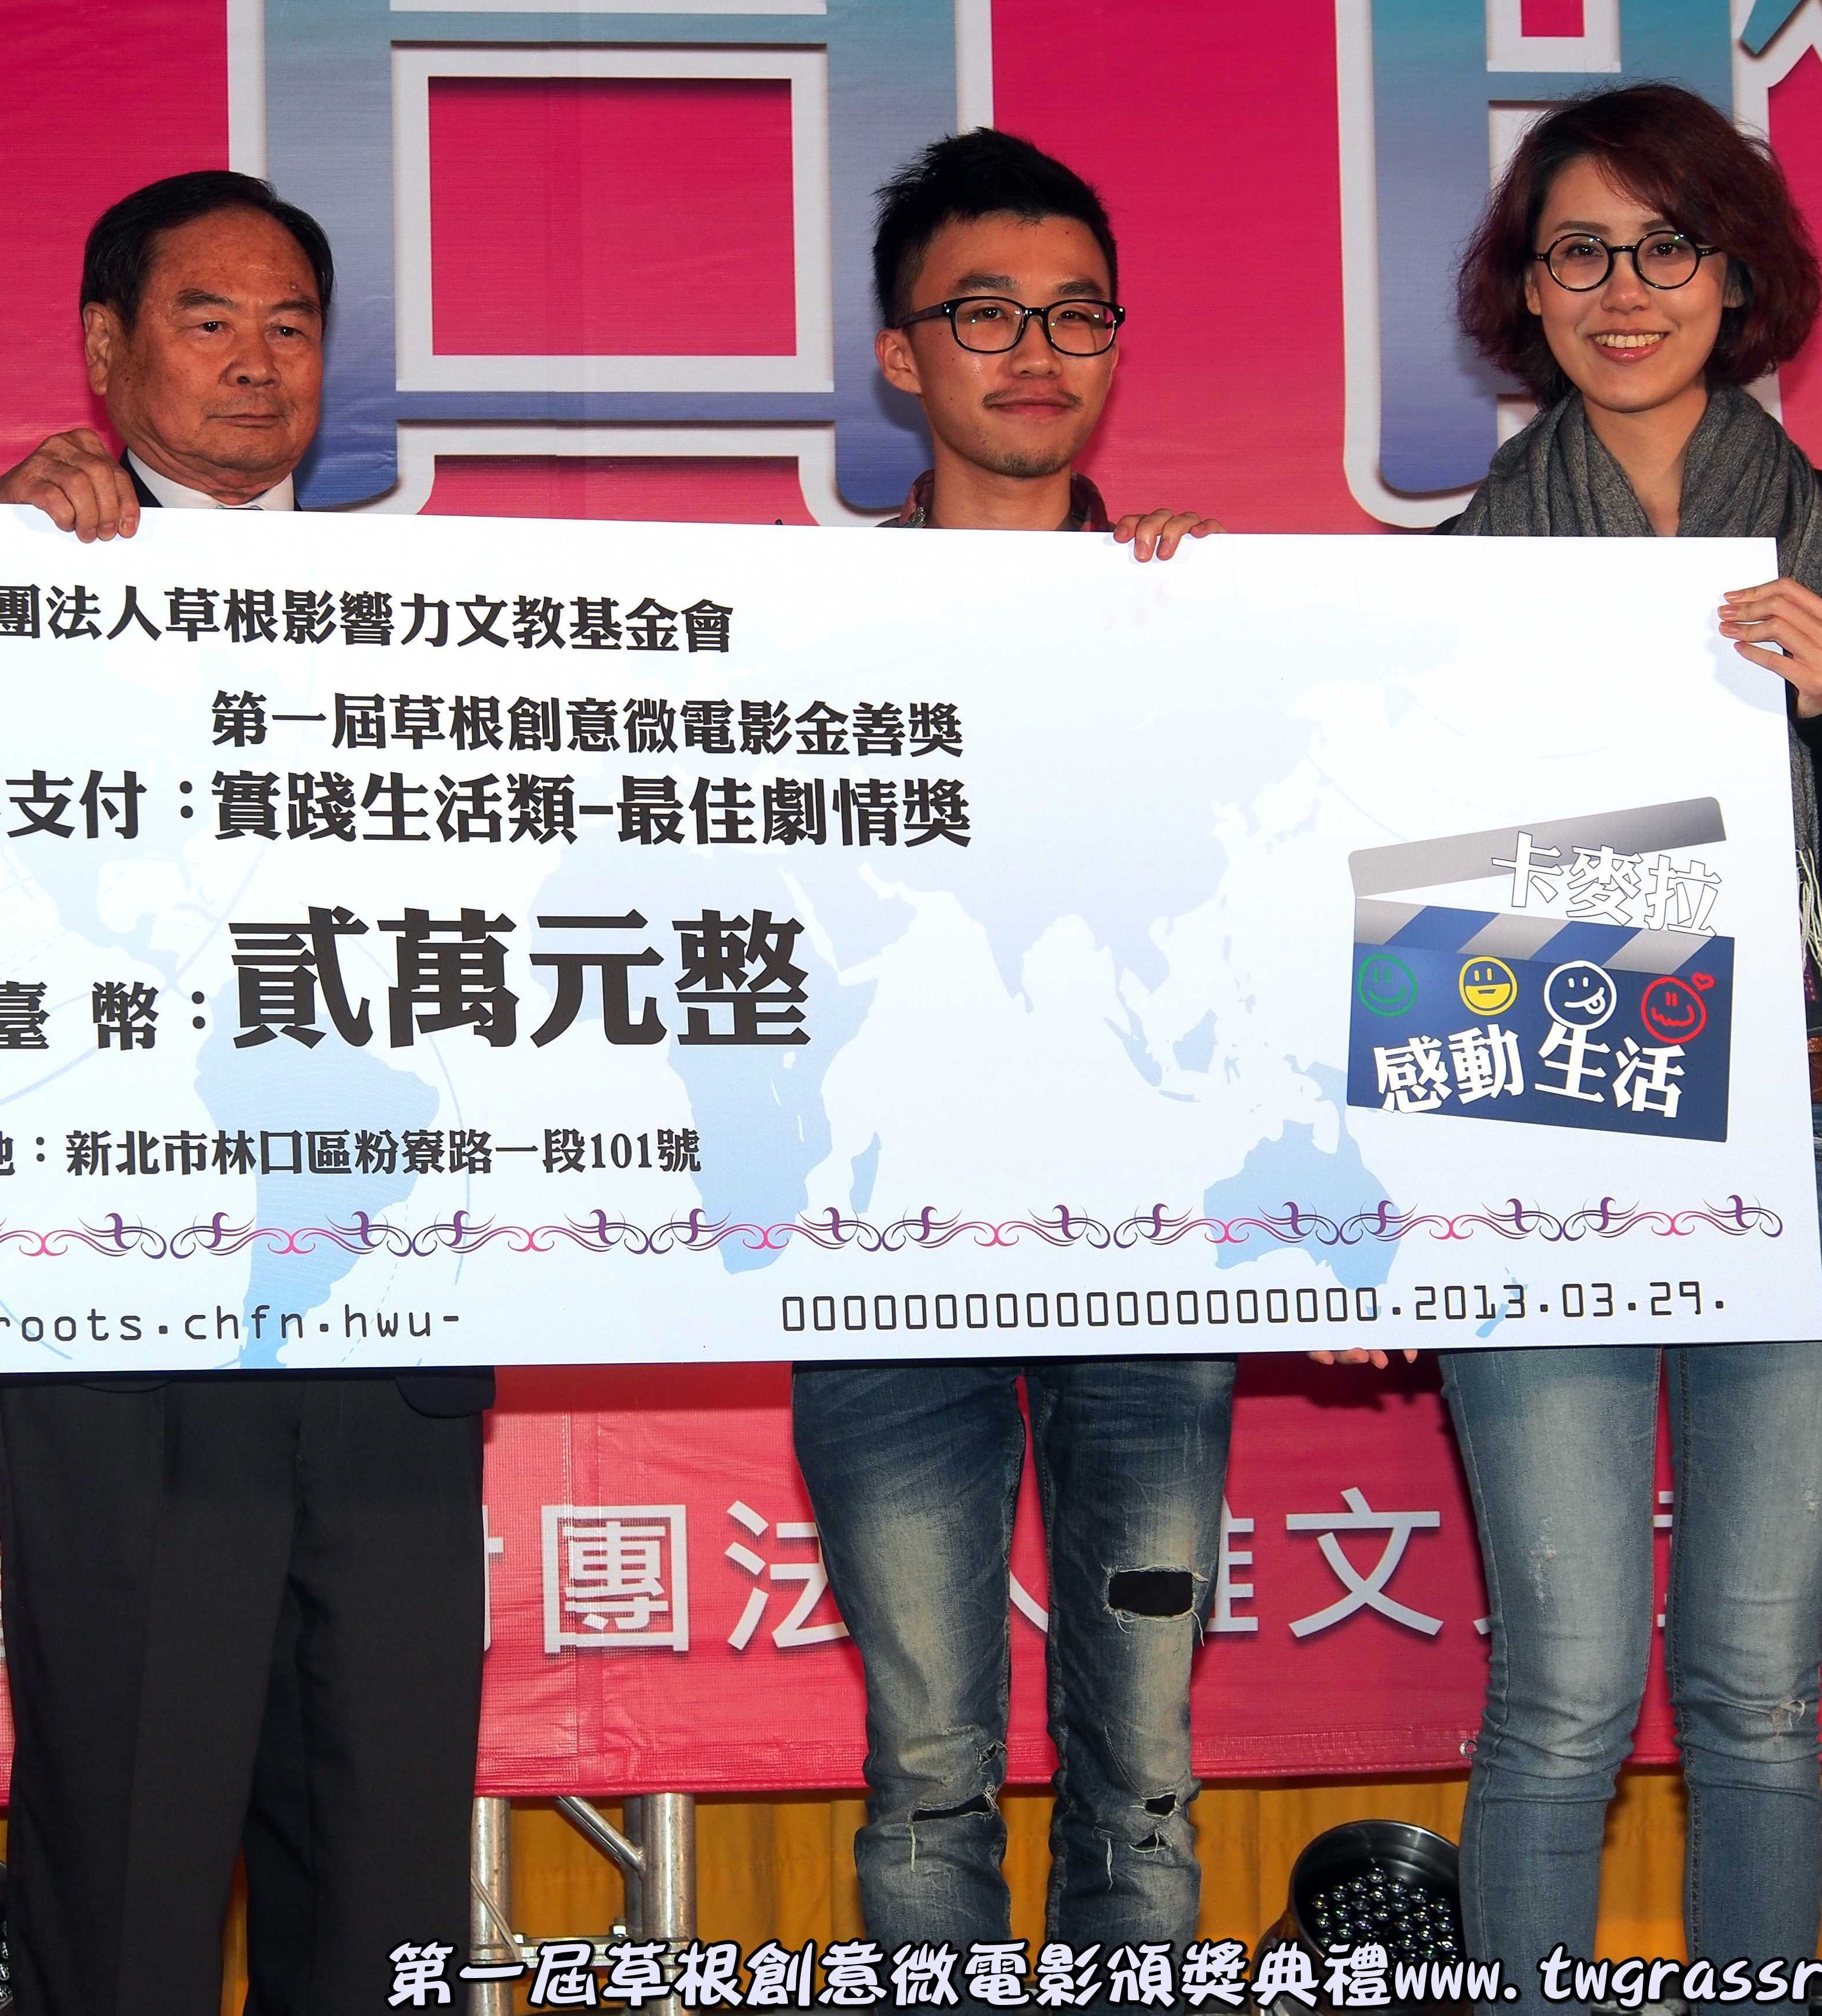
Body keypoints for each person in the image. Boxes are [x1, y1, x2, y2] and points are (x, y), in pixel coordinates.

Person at [1434, 83, 1822, 2011]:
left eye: (1668, 245)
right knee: (1563, 1692)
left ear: (1738, 279)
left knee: (1753, 1692)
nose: (1625, 288)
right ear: (1527, 292)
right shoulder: (1459, 569)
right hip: (1541, 1141)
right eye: (1579, 251)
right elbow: (1399, 890)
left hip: (1801, 1137)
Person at [0, 170, 490, 2016]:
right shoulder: (11, 571)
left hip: (395, 1317)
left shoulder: (441, 622)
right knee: (131, 1847)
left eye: (293, 325)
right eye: (210, 320)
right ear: (106, 348)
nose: (259, 363)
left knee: (387, 1858)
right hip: (126, 1325)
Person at [790, 127, 1231, 1952]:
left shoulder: (1205, 612)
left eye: (1076, 313)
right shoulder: (797, 633)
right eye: (985, 313)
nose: (1036, 350)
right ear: (902, 354)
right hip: (883, 1260)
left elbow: (1285, 922)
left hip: (1158, 1264)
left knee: (1145, 1766)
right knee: (926, 1766)